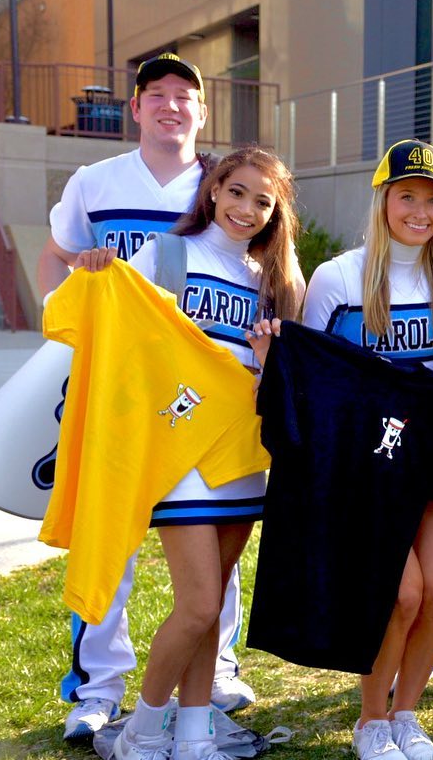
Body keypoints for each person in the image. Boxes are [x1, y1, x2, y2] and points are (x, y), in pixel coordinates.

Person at [37, 53, 256, 742]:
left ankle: (216, 670)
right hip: (125, 392)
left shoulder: (220, 184)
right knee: (110, 532)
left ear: (202, 111)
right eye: (156, 93)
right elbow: (58, 258)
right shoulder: (95, 181)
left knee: (216, 548)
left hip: (203, 402)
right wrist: (74, 323)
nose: (171, 105)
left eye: (185, 95)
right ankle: (98, 688)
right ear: (134, 107)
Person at [72, 146, 305, 760]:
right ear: (214, 190)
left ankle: (195, 733)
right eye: (237, 192)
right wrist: (94, 272)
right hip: (180, 453)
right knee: (199, 603)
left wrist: (268, 360)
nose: (246, 209)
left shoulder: (275, 282)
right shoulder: (167, 254)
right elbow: (117, 333)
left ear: (276, 212)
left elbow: (284, 382)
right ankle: (142, 732)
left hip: (242, 457)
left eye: (263, 201)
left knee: (212, 603)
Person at [283, 139, 433, 760]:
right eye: (406, 196)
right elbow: (312, 375)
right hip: (365, 460)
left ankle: (407, 715)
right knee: (401, 593)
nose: (420, 211)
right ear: (383, 199)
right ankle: (371, 718)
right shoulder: (339, 276)